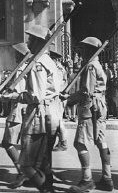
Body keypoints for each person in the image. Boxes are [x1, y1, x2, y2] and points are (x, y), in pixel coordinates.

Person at [1, 24, 60, 193]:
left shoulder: (38, 63)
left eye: (31, 38)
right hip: (49, 113)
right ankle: (47, 186)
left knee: (26, 165)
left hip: (38, 115)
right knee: (44, 161)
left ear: (39, 42)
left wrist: (12, 96)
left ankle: (46, 190)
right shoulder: (48, 61)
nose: (28, 42)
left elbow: (36, 95)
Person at [62, 37, 114, 192]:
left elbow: (87, 91)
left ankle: (87, 180)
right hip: (100, 107)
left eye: (84, 48)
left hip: (90, 107)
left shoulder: (90, 66)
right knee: (101, 141)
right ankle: (107, 178)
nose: (82, 52)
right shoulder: (97, 64)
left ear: (91, 50)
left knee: (80, 143)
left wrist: (69, 99)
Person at [1, 43, 29, 188]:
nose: (14, 55)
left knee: (8, 142)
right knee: (24, 144)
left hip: (17, 109)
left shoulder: (21, 70)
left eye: (16, 53)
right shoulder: (25, 68)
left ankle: (22, 172)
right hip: (25, 108)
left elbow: (17, 93)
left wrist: (6, 96)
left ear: (20, 55)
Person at [49, 50, 68, 151]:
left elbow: (58, 85)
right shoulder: (58, 68)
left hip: (59, 97)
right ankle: (61, 141)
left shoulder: (59, 69)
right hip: (57, 97)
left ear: (55, 60)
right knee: (56, 120)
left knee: (58, 120)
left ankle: (63, 142)